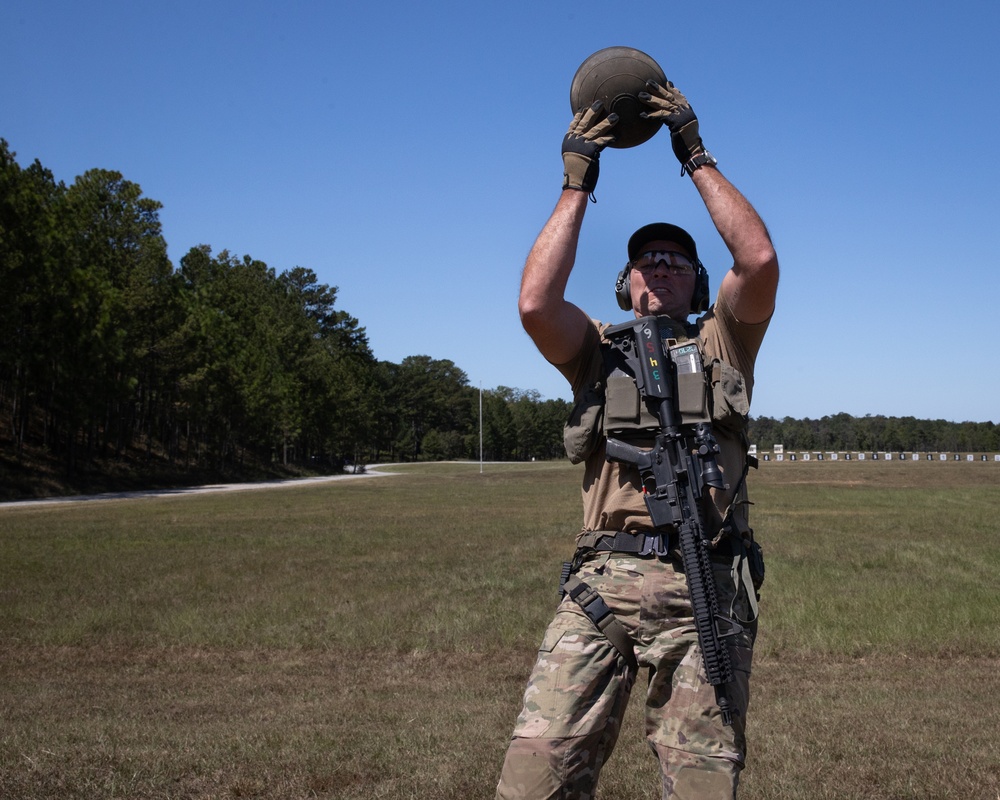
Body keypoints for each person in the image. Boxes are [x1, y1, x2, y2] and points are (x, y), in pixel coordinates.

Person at [495, 78, 779, 799]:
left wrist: (695, 152)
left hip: (705, 587)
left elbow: (760, 262)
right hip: (602, 587)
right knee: (535, 779)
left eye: (677, 258)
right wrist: (576, 183)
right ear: (625, 281)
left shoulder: (725, 339)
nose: (661, 263)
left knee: (701, 787)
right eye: (646, 258)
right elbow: (534, 303)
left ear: (698, 279)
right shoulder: (595, 346)